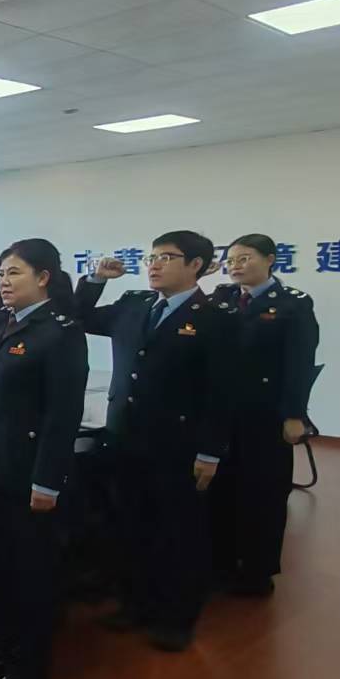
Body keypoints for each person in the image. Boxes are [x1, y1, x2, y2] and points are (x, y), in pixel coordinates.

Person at [78, 231, 238, 651]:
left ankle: (176, 618)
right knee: (129, 526)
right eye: (151, 257)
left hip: (177, 444)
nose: (154, 265)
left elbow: (222, 392)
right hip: (124, 437)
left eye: (166, 257)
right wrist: (96, 280)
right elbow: (77, 316)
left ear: (196, 265)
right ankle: (135, 604)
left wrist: (210, 451)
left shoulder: (215, 318)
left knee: (178, 534)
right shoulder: (133, 305)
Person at [0, 240, 89, 679]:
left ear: (43, 277)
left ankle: (29, 669)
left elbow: (63, 415)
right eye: (1, 273)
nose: (3, 281)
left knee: (32, 574)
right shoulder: (3, 322)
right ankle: (3, 648)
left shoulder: (60, 332)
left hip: (31, 473)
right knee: (1, 566)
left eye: (14, 273)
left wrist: (47, 481)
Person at [208, 234, 320, 597]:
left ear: (270, 259)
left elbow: (299, 362)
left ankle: (257, 571)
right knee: (221, 488)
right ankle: (222, 564)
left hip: (265, 413)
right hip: (223, 411)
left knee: (263, 492)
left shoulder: (292, 304)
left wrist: (294, 414)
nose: (235, 266)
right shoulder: (222, 297)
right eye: (230, 260)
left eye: (245, 258)